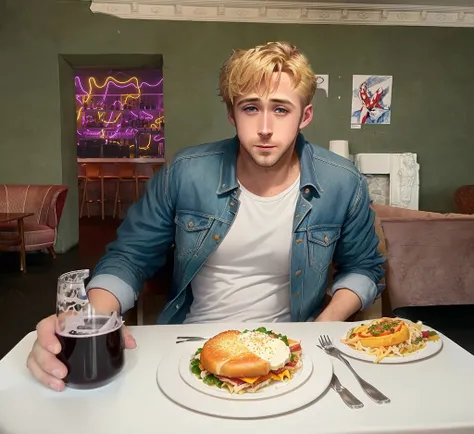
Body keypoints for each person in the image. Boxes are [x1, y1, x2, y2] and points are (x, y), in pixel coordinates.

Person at [27, 41, 385, 391]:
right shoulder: (185, 173)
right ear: (231, 114)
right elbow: (129, 257)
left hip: (291, 349)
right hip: (192, 343)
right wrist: (91, 320)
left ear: (304, 115)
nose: (264, 127)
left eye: (280, 109)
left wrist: (320, 327)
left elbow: (364, 267)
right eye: (249, 108)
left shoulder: (342, 181)